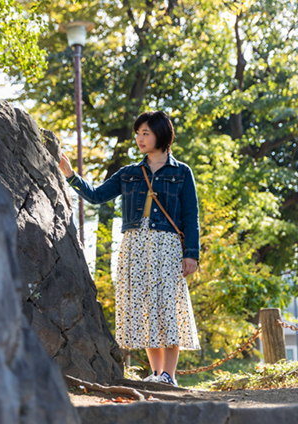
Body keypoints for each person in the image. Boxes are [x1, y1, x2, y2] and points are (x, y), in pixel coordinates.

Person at [59, 111, 200, 387]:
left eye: (145, 133)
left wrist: (191, 254)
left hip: (167, 246)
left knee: (168, 308)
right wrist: (71, 175)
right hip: (134, 247)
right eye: (138, 133)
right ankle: (157, 374)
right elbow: (97, 196)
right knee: (143, 308)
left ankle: (170, 376)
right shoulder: (129, 173)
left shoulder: (182, 173)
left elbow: (190, 216)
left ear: (162, 134)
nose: (139, 138)